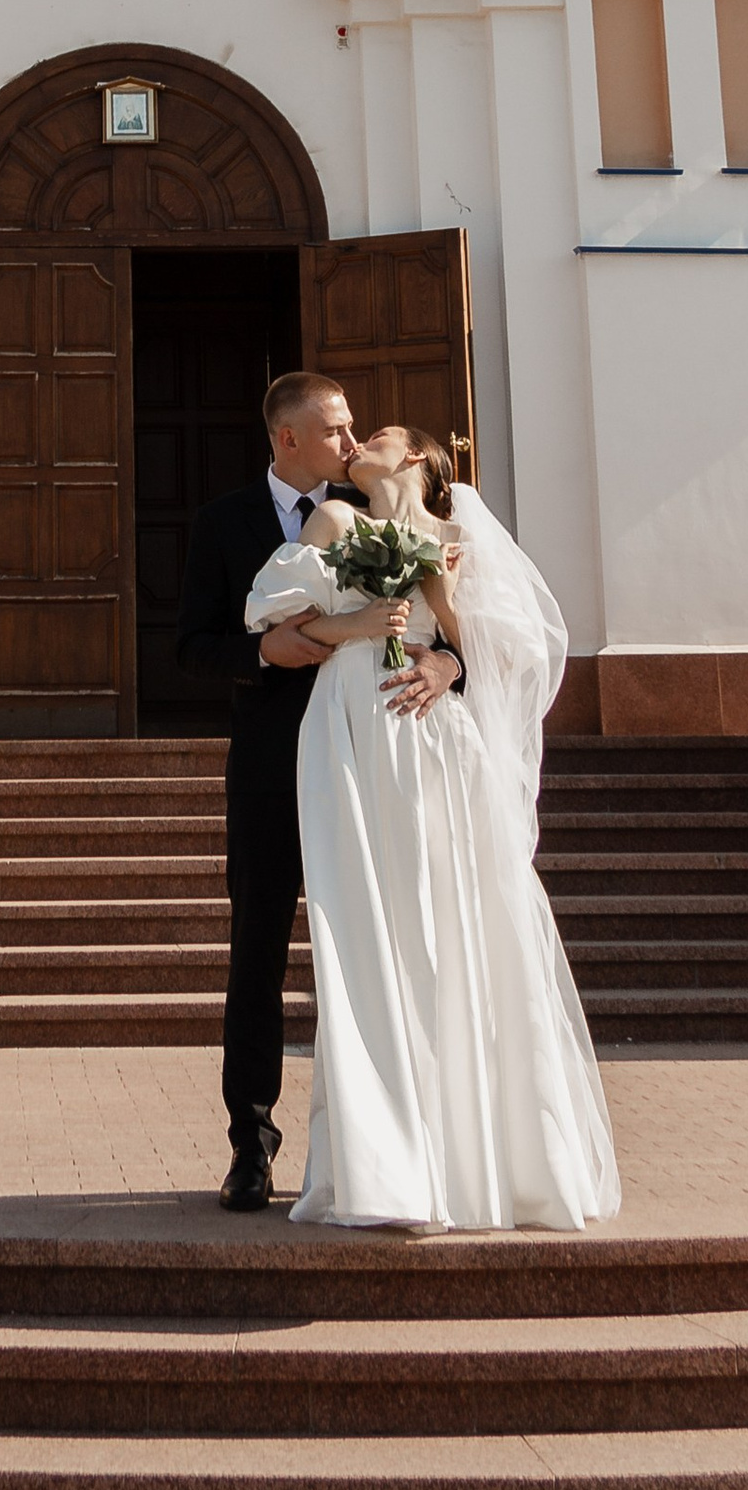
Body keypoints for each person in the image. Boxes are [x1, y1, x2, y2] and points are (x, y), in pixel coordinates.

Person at [247, 425, 620, 1233]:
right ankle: (382, 1165)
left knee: (448, 928)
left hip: (432, 742)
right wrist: (364, 624)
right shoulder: (335, 526)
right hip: (347, 727)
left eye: (374, 433)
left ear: (417, 457)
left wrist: (441, 637)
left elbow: (495, 654)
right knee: (366, 935)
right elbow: (275, 628)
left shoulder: (458, 539)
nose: (355, 441)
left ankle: (468, 1160)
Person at [174, 371, 465, 1212]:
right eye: (334, 429)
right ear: (287, 437)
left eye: (351, 428)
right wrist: (265, 656)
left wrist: (447, 664)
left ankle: (390, 1142)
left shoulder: (380, 513)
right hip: (272, 768)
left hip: (370, 763)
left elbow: (452, 634)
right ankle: (251, 1145)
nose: (350, 440)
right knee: (258, 951)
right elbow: (191, 646)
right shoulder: (221, 524)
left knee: (383, 944)